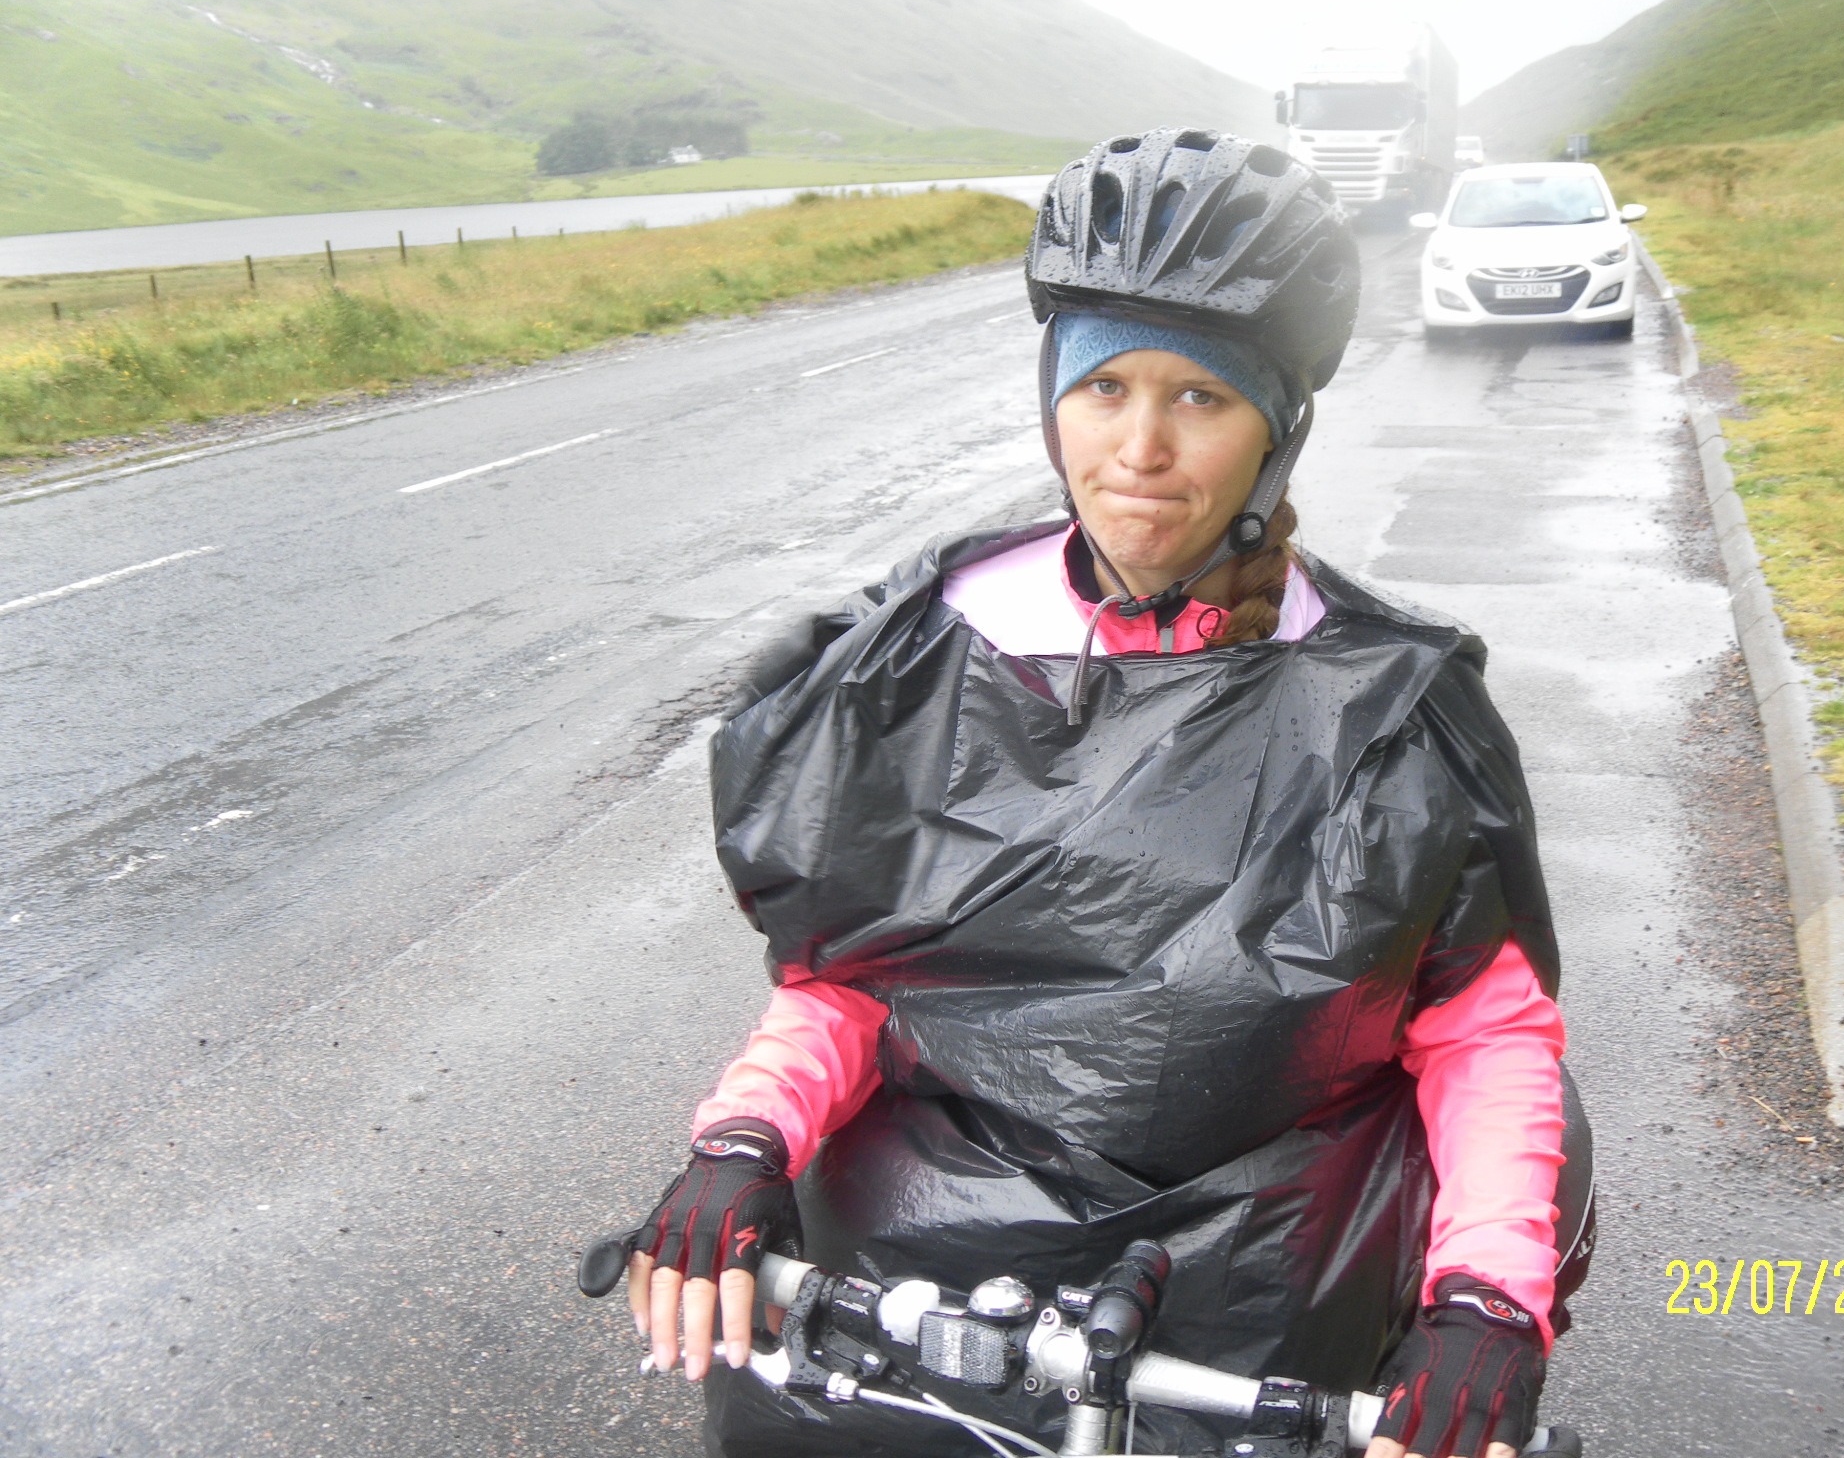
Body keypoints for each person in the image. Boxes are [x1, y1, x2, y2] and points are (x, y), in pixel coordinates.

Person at [616, 128, 1587, 1458]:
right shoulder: (927, 649)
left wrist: (1487, 1296)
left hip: (1259, 1306)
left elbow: (1485, 1035)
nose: (1137, 447)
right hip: (929, 1283)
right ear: (1050, 394)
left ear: (1275, 433)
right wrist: (741, 1144)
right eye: (1105, 385)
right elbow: (848, 977)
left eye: (1200, 398)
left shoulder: (1395, 704)